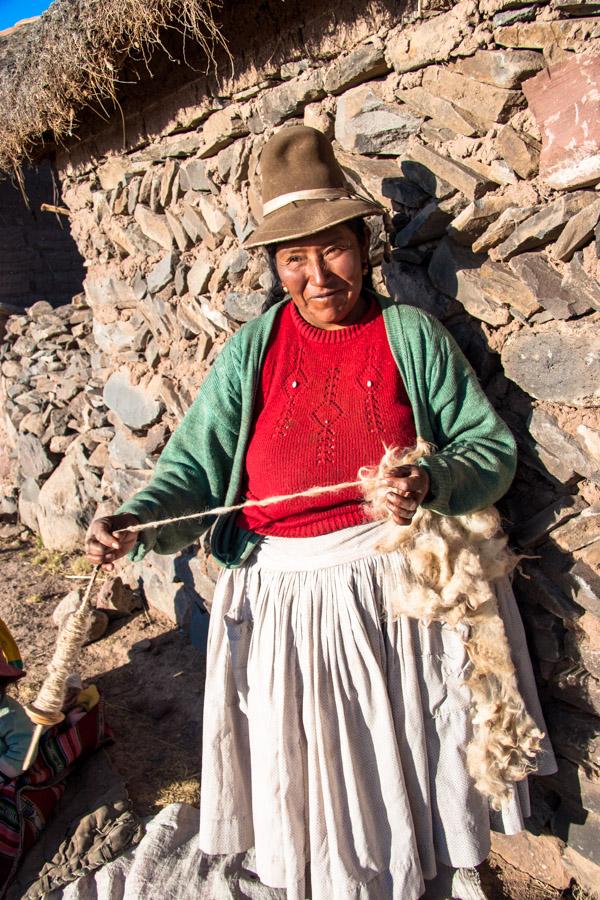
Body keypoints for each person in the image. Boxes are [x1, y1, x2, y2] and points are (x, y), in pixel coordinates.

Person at [85, 126, 555, 900]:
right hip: (287, 599)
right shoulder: (253, 349)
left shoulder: (410, 337)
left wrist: (430, 482)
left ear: (363, 245)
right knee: (314, 757)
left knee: (408, 745)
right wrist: (137, 522)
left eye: (331, 248)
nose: (316, 274)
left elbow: (487, 448)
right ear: (276, 266)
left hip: (397, 591)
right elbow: (195, 470)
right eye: (293, 258)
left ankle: (429, 869)